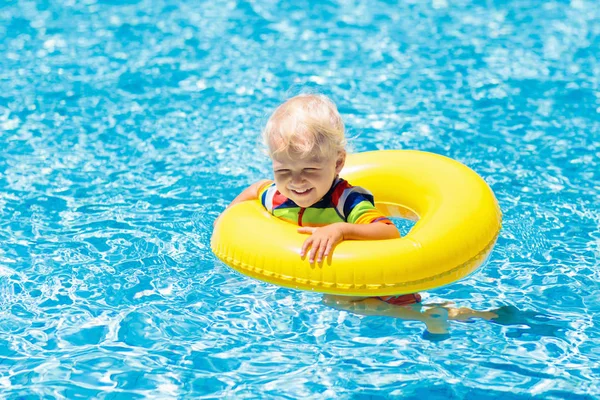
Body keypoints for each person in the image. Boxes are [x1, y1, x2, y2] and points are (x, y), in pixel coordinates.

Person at [221, 93, 421, 306]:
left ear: (337, 163)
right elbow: (254, 189)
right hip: (313, 279)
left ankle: (429, 315)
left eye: (310, 168)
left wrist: (341, 230)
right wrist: (226, 218)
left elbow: (389, 232)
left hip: (376, 285)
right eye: (283, 170)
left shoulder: (346, 200)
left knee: (335, 300)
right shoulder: (276, 196)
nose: (296, 181)